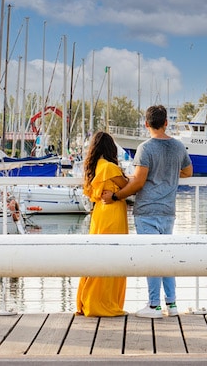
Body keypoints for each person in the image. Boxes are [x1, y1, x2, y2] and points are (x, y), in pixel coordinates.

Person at [102, 105, 192, 318]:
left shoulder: (145, 148)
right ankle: (172, 304)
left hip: (147, 210)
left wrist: (115, 196)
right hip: (168, 210)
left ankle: (153, 306)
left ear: (146, 124)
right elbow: (188, 171)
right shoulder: (178, 147)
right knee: (166, 258)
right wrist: (168, 170)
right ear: (166, 122)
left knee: (152, 257)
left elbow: (138, 182)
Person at [75, 131, 130, 317]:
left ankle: (86, 301)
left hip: (99, 214)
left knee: (96, 256)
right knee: (113, 257)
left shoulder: (94, 167)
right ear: (110, 148)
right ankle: (103, 302)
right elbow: (127, 186)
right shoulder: (109, 168)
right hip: (113, 214)